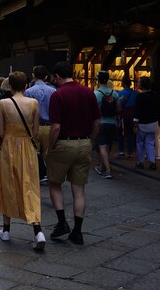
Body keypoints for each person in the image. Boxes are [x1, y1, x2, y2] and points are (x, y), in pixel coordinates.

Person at [46, 61, 101, 245]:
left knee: (54, 183)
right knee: (79, 190)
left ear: (58, 77)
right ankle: (77, 231)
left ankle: (62, 223)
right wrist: (91, 140)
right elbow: (97, 122)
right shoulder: (88, 92)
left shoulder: (58, 95)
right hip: (84, 142)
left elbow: (56, 127)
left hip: (64, 142)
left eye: (54, 78)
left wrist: (50, 146)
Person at [0, 71, 45, 251]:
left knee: (7, 184)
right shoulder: (33, 103)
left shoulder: (3, 103)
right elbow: (36, 131)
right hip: (28, 148)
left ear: (10, 86)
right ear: (26, 85)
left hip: (9, 146)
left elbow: (0, 132)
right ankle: (37, 230)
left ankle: (6, 230)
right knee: (30, 185)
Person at [24, 65, 56, 185]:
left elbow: (27, 111)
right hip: (49, 126)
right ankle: (49, 173)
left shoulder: (28, 91)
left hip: (34, 126)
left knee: (34, 152)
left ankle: (37, 174)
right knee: (48, 153)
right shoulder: (53, 91)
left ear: (33, 75)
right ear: (46, 76)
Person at [134, 76, 160, 169]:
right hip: (153, 123)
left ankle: (140, 161)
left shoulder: (140, 96)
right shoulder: (155, 96)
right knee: (150, 142)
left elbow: (137, 111)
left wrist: (135, 123)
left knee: (140, 142)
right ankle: (152, 161)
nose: (138, 84)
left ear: (142, 85)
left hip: (143, 123)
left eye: (139, 82)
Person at [93, 70, 118, 179]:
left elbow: (92, 110)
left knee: (102, 146)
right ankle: (103, 166)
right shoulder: (115, 93)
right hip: (112, 122)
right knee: (107, 145)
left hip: (100, 122)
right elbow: (119, 109)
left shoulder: (96, 94)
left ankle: (107, 170)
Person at [116, 75, 138, 160]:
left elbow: (117, 105)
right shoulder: (136, 93)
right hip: (132, 115)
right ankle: (130, 152)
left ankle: (121, 151)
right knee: (131, 133)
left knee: (120, 133)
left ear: (123, 83)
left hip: (122, 115)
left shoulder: (120, 93)